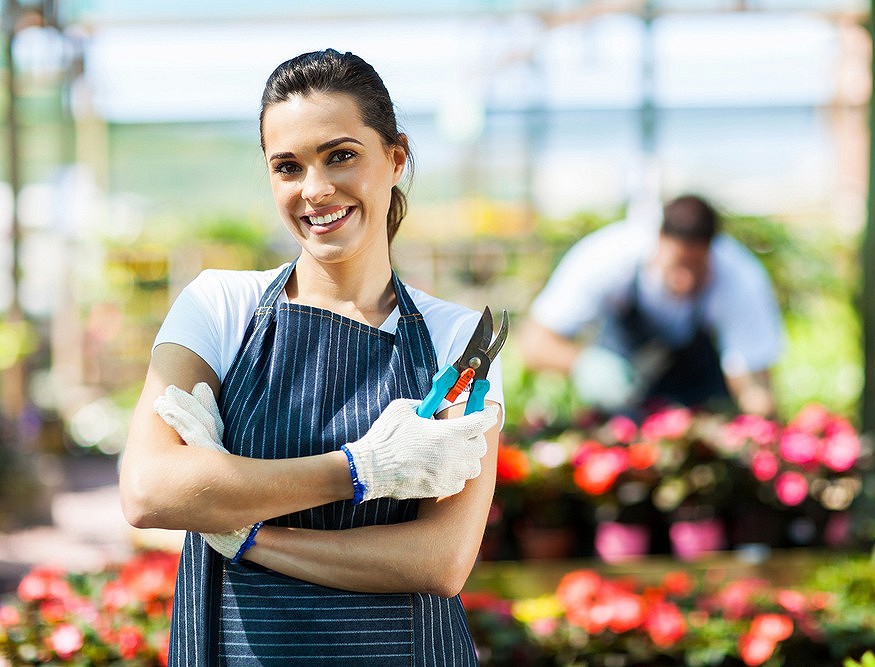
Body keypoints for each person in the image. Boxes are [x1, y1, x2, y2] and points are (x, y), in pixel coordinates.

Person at [119, 49, 503, 665]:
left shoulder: (455, 340)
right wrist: (362, 469)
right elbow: (148, 490)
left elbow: (438, 560)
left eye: (341, 155)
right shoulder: (220, 306)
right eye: (288, 167)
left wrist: (244, 530)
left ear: (395, 158)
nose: (315, 190)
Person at [520, 194, 782, 418]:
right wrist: (584, 363)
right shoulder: (607, 257)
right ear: (659, 239)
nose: (685, 279)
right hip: (620, 409)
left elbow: (753, 383)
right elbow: (535, 343)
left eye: (696, 267)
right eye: (677, 265)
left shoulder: (739, 278)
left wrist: (761, 427)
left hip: (699, 412)